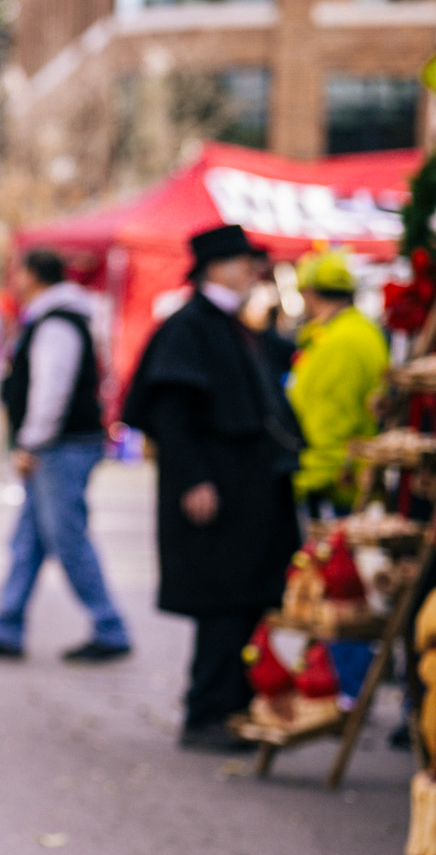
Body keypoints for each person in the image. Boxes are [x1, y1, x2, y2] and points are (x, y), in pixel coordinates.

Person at [122, 224, 304, 753]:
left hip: (245, 493)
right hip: (218, 493)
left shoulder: (225, 324)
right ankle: (209, 712)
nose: (253, 273)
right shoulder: (190, 327)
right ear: (217, 268)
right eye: (245, 263)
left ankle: (236, 707)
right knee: (224, 604)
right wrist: (195, 477)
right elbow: (172, 414)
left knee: (244, 601)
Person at [0, 248, 132, 662]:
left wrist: (31, 443)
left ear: (34, 276)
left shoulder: (57, 321)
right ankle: (7, 626)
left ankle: (110, 628)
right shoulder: (60, 316)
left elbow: (51, 389)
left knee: (67, 539)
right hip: (60, 445)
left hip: (60, 447)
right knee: (28, 542)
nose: (15, 282)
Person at [286, 248, 389, 520]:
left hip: (336, 488)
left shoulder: (340, 341)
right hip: (344, 480)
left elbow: (331, 423)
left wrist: (305, 481)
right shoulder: (356, 329)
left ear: (309, 292)